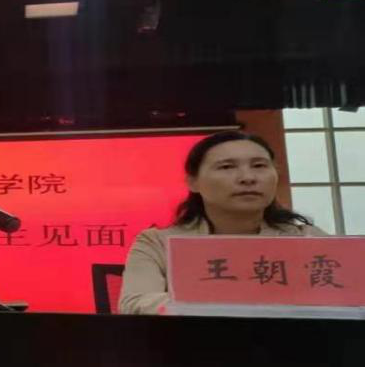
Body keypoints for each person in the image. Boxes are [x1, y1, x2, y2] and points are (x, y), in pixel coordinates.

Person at [119, 131, 327, 315]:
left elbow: (341, 300)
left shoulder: (307, 239)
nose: (248, 178)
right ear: (193, 182)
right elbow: (136, 304)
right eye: (227, 167)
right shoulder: (157, 243)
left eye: (259, 165)